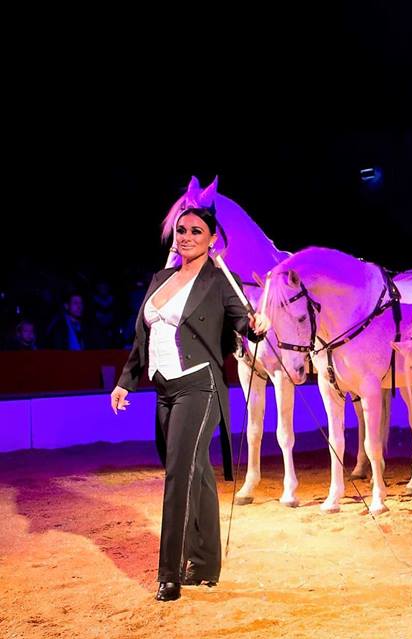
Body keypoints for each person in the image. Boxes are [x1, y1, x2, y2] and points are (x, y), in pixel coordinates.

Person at [109, 192, 270, 602]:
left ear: (212, 238)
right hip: (164, 387)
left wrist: (258, 325)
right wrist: (126, 380)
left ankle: (169, 573)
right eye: (181, 230)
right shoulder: (160, 280)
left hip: (201, 384)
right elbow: (142, 336)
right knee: (193, 471)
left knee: (178, 473)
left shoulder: (218, 282)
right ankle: (204, 562)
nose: (185, 236)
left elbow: (245, 323)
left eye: (196, 231)